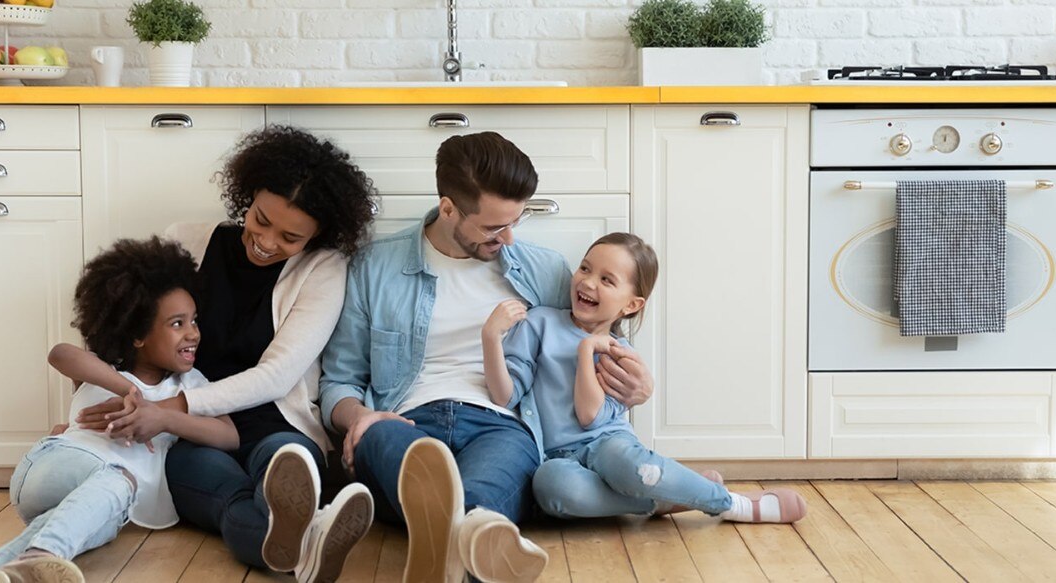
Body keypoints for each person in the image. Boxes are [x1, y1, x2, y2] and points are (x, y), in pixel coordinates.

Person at [319, 132, 656, 583]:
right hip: (407, 421)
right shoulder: (375, 267)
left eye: (516, 221)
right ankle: (470, 547)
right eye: (494, 227)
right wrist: (358, 416)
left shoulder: (544, 270)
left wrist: (638, 388)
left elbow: (597, 339)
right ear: (448, 209)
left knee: (482, 493)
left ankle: (444, 538)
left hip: (504, 424)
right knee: (380, 438)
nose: (510, 236)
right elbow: (339, 379)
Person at [46, 125, 378, 582]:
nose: (267, 242)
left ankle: (295, 527)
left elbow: (277, 377)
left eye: (290, 237)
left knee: (286, 461)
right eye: (261, 220)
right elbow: (125, 329)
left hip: (270, 421)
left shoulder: (324, 268)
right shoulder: (187, 239)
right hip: (189, 433)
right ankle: (310, 540)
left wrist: (167, 408)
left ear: (316, 236)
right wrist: (81, 427)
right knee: (229, 500)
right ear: (249, 194)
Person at [0, 237, 240, 583]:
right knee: (118, 481)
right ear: (137, 335)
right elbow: (60, 354)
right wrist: (130, 392)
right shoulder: (108, 370)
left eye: (194, 321)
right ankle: (43, 559)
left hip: (105, 508)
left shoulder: (189, 386)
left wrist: (162, 416)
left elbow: (229, 435)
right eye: (177, 323)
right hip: (55, 466)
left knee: (66, 525)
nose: (193, 333)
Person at [485, 233, 808, 524]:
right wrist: (490, 338)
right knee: (550, 487)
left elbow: (590, 417)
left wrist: (586, 351)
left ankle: (732, 504)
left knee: (633, 468)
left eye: (607, 280)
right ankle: (667, 499)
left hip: (608, 444)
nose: (587, 282)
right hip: (556, 457)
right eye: (585, 268)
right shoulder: (540, 322)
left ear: (632, 304)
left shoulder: (622, 354)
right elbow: (505, 396)